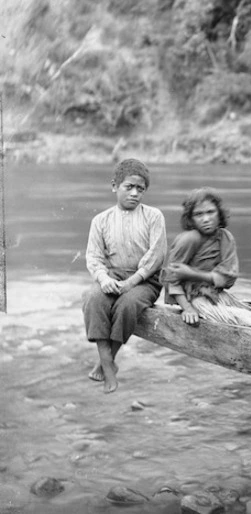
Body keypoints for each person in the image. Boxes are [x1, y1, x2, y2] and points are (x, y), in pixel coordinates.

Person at [163, 187, 251, 337]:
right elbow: (171, 279)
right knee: (247, 323)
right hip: (195, 299)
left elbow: (228, 278)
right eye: (199, 214)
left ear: (219, 213)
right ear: (190, 219)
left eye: (210, 212)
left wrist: (192, 273)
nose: (206, 219)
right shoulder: (189, 239)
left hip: (215, 294)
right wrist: (187, 308)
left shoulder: (225, 237)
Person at [82, 159, 167, 394]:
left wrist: (132, 281)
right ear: (114, 186)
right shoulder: (100, 220)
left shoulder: (153, 216)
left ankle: (106, 364)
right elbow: (94, 258)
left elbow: (156, 256)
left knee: (127, 305)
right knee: (93, 299)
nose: (135, 194)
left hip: (145, 280)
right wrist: (104, 279)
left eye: (140, 189)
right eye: (128, 187)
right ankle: (107, 361)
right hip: (112, 275)